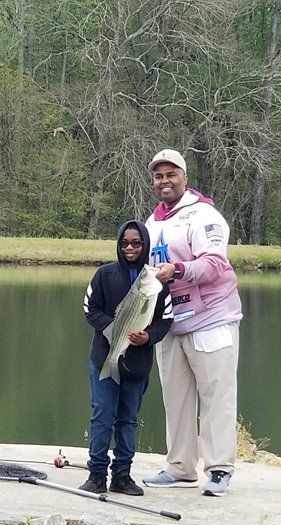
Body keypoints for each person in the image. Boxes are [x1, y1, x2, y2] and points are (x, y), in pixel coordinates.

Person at [143, 149, 242, 496]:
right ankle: (180, 467)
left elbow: (215, 264)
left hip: (211, 319)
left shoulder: (204, 216)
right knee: (177, 398)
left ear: (185, 178)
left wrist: (179, 270)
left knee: (217, 396)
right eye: (159, 176)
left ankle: (218, 470)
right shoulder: (152, 223)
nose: (165, 181)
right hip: (170, 323)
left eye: (171, 174)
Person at [80, 219, 173, 496]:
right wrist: (112, 329)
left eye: (136, 243)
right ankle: (96, 474)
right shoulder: (104, 275)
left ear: (145, 246)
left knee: (128, 420)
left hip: (138, 363)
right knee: (102, 416)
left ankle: (122, 475)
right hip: (105, 357)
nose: (130, 248)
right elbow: (89, 307)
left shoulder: (156, 284)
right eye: (124, 243)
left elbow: (165, 319)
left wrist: (148, 337)